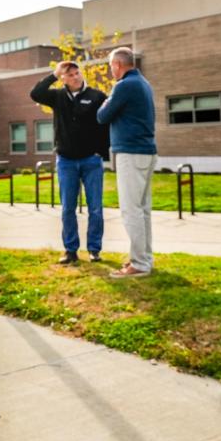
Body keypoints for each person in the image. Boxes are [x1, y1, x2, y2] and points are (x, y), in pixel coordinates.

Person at [29, 61, 109, 264]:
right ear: (63, 78)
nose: (75, 76)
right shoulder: (56, 97)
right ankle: (70, 250)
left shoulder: (96, 96)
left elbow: (106, 124)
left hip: (91, 160)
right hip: (66, 161)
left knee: (95, 208)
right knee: (67, 208)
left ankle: (94, 249)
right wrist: (54, 74)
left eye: (77, 73)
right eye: (70, 74)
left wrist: (102, 152)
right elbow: (36, 93)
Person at [96, 47, 157, 278]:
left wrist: (108, 101)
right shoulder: (143, 83)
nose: (111, 70)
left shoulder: (124, 85)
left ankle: (139, 264)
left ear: (118, 65)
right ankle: (144, 259)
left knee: (131, 210)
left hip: (131, 153)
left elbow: (102, 115)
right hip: (146, 152)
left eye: (111, 65)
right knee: (142, 210)